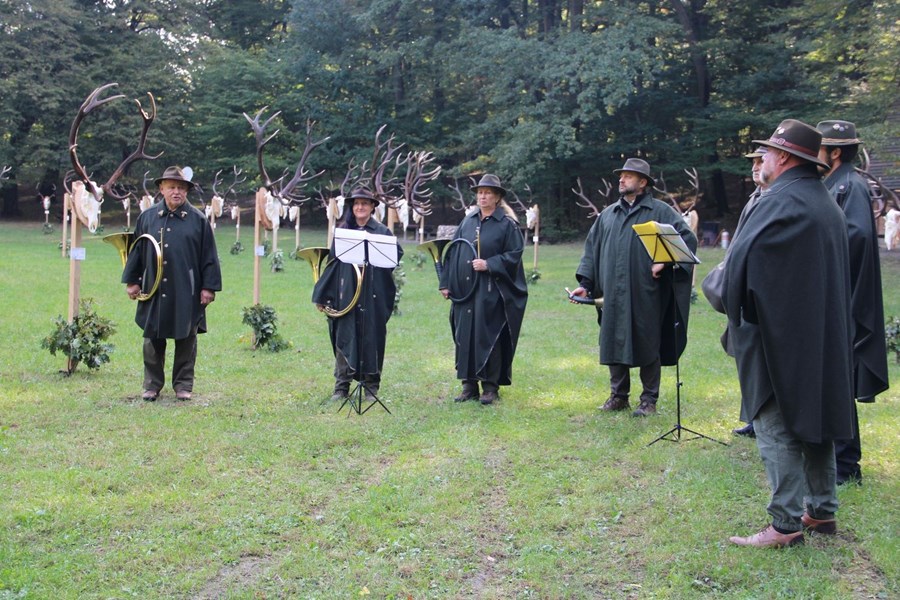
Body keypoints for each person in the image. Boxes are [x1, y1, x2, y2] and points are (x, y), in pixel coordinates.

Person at [724, 119, 854, 548]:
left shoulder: (779, 201)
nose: (761, 159)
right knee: (815, 419)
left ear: (783, 157)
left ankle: (784, 525)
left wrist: (721, 291)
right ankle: (821, 511)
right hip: (819, 333)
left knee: (774, 422)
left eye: (766, 152)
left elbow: (741, 267)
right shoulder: (823, 201)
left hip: (778, 336)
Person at [571, 158, 697, 417]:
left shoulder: (660, 211)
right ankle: (618, 396)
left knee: (648, 341)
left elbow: (687, 240)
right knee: (613, 339)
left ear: (642, 182)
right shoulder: (608, 215)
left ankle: (648, 400)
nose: (621, 179)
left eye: (628, 176)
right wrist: (585, 285)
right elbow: (591, 251)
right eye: (621, 175)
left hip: (646, 291)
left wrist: (665, 260)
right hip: (612, 292)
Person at [816, 119, 890, 485]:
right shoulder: (831, 182)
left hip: (844, 298)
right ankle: (835, 457)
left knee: (840, 380)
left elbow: (857, 236)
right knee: (829, 378)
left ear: (834, 152)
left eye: (819, 148)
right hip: (829, 296)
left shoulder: (851, 185)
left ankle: (846, 465)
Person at [122, 166, 222, 401]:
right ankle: (152, 385)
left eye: (181, 188)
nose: (176, 191)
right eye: (171, 187)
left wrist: (208, 287)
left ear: (186, 191)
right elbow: (137, 251)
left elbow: (209, 255)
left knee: (187, 337)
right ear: (162, 189)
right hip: (153, 288)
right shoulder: (147, 217)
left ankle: (183, 385)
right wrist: (132, 281)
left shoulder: (198, 220)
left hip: (186, 288)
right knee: (152, 338)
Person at [438, 174, 527, 405]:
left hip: (491, 290)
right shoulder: (468, 221)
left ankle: (490, 387)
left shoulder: (507, 224)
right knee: (464, 336)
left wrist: (489, 264)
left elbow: (515, 255)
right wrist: (446, 283)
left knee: (488, 336)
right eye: (480, 192)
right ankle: (468, 386)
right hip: (465, 291)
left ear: (497, 197)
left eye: (487, 192)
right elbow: (453, 252)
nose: (483, 196)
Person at [312, 188, 402, 402]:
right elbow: (332, 265)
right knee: (344, 335)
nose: (360, 207)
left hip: (372, 295)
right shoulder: (344, 231)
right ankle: (341, 387)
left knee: (372, 338)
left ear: (372, 207)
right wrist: (322, 295)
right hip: (347, 294)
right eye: (356, 204)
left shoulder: (382, 232)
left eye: (365, 203)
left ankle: (371, 387)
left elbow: (395, 257)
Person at [704, 149, 768, 439]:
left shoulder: (773, 199)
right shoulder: (755, 197)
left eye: (760, 160)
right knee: (747, 356)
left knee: (760, 358)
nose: (755, 166)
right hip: (741, 289)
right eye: (753, 162)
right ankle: (753, 418)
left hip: (758, 292)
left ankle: (762, 420)